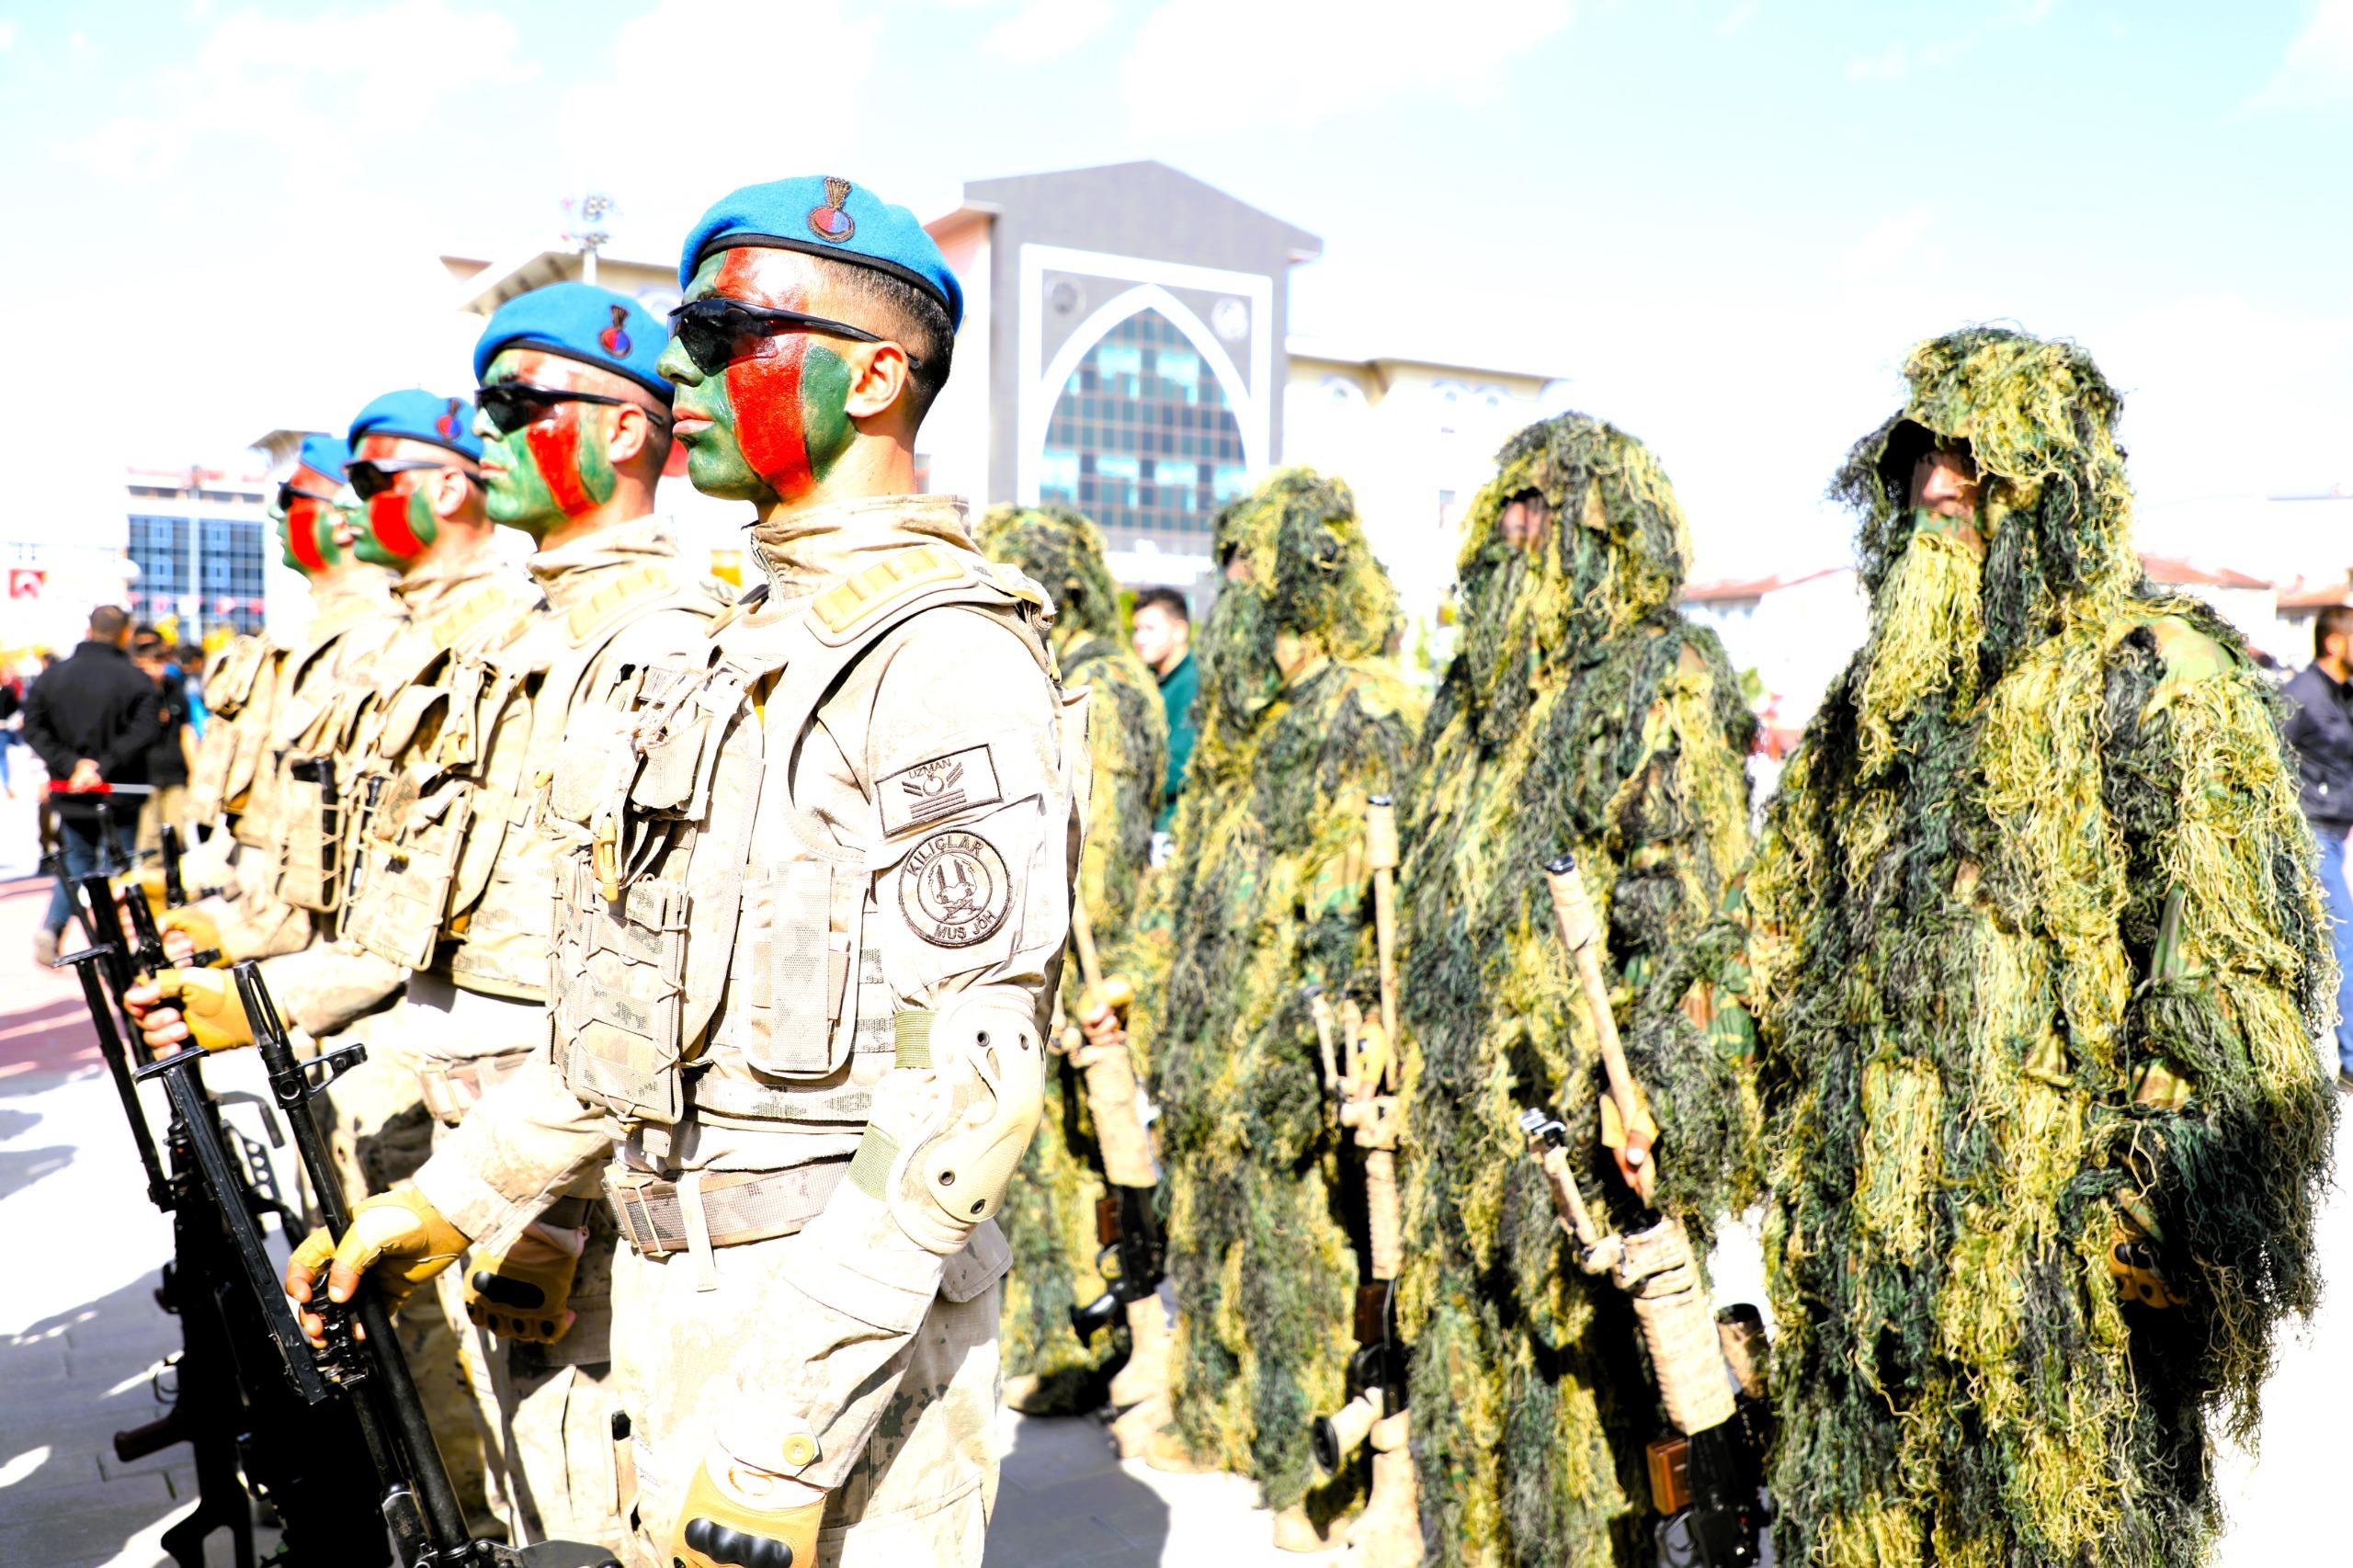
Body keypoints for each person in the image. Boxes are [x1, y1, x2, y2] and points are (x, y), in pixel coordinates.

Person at [283, 176, 1075, 1568]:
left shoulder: (943, 656)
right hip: (669, 1308)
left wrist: (782, 1437)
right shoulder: (727, 650)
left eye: (722, 336)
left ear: (876, 376)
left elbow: (962, 1084)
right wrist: (448, 1200)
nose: (679, 373)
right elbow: (622, 1028)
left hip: (842, 1372)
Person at [1744, 329, 2336, 1566]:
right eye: (1918, 458)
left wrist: (2118, 1237)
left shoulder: (2157, 676)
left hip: (2054, 1321)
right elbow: (1774, 935)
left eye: (1973, 461)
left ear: (2056, 485)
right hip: (1864, 1290)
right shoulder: (1868, 712)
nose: (1937, 486)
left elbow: (2233, 994)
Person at [1396, 414, 1761, 1566]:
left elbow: (1692, 918)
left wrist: (1649, 1102)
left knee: (1586, 1441)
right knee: (1464, 1414)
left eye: (1539, 510)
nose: (1512, 530)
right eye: (1503, 508)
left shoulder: (1661, 674)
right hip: (1456, 1123)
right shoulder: (1470, 702)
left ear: (1609, 532)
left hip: (1579, 1147)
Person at [1116, 470, 1424, 1551]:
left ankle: (1316, 1475)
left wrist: (1325, 1053)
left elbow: (1356, 909)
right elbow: (1189, 872)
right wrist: (1146, 986)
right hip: (1219, 1042)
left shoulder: (1361, 706)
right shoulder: (1243, 716)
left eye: (1250, 565)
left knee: (1308, 1269)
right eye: (1228, 566)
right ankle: (1227, 1426)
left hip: (1299, 1052)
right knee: (1219, 1251)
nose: (1232, 584)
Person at [973, 503, 1168, 1419]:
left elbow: (1106, 846)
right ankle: (1059, 1338)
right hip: (1053, 957)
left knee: (1090, 1174)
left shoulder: (1106, 683)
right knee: (1048, 1166)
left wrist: (1098, 974)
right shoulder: (1059, 672)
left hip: (1087, 965)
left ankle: (1096, 1347)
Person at [24, 605, 166, 963]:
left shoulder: (53, 677)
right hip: (120, 790)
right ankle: (113, 947)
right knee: (120, 867)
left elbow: (33, 727)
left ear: (89, 629)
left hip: (72, 790)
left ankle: (54, 927)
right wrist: (103, 766)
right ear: (124, 633)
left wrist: (72, 765)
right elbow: (146, 729)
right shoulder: (135, 679)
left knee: (76, 861)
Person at [2281, 604, 2353, 1091]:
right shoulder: (2301, 695)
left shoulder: (2344, 695)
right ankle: (2351, 1060)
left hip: (2335, 834)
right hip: (2311, 834)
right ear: (2334, 642)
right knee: (2344, 940)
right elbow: (2265, 756)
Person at [1131, 585, 1199, 845]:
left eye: (1149, 629)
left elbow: (1180, 765)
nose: (1140, 639)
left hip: (1173, 829)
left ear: (1180, 631)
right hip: (1149, 823)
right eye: (1136, 629)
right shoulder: (1152, 680)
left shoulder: (1193, 683)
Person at [130, 627, 196, 856]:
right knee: (150, 840)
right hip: (145, 776)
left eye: (159, 661)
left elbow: (186, 731)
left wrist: (195, 771)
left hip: (176, 773)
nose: (155, 668)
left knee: (176, 836)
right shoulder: (133, 693)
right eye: (149, 662)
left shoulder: (174, 688)